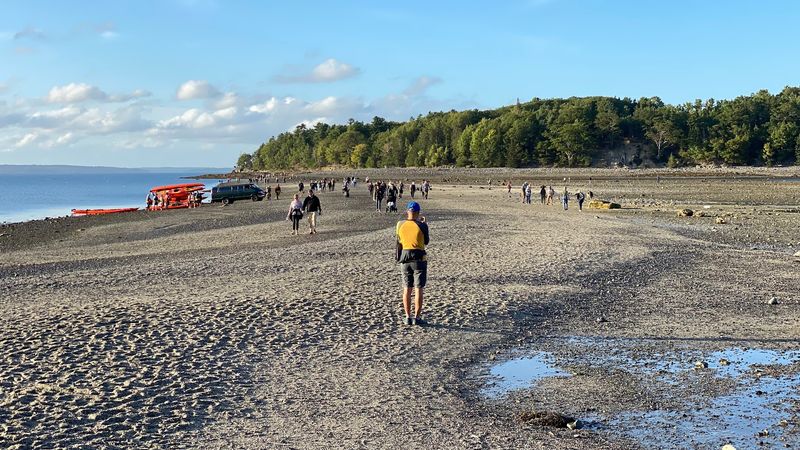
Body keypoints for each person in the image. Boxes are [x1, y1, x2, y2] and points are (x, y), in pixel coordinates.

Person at [395, 201, 429, 326]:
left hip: (404, 258)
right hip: (419, 258)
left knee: (406, 289)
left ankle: (407, 316)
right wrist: (424, 224)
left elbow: (399, 239)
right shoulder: (422, 225)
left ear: (407, 212)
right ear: (418, 213)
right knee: (419, 288)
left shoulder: (400, 224)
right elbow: (426, 241)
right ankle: (417, 317)